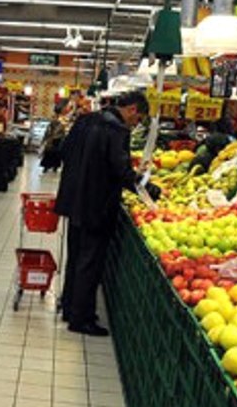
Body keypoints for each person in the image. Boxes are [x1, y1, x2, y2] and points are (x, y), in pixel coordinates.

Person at [54, 90, 160, 336]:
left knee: (76, 256)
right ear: (132, 109)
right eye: (137, 119)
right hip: (96, 206)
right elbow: (121, 172)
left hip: (73, 201)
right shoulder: (117, 131)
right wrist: (147, 189)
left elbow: (64, 151)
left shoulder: (84, 120)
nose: (134, 125)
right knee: (90, 263)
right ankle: (81, 319)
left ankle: (69, 307)